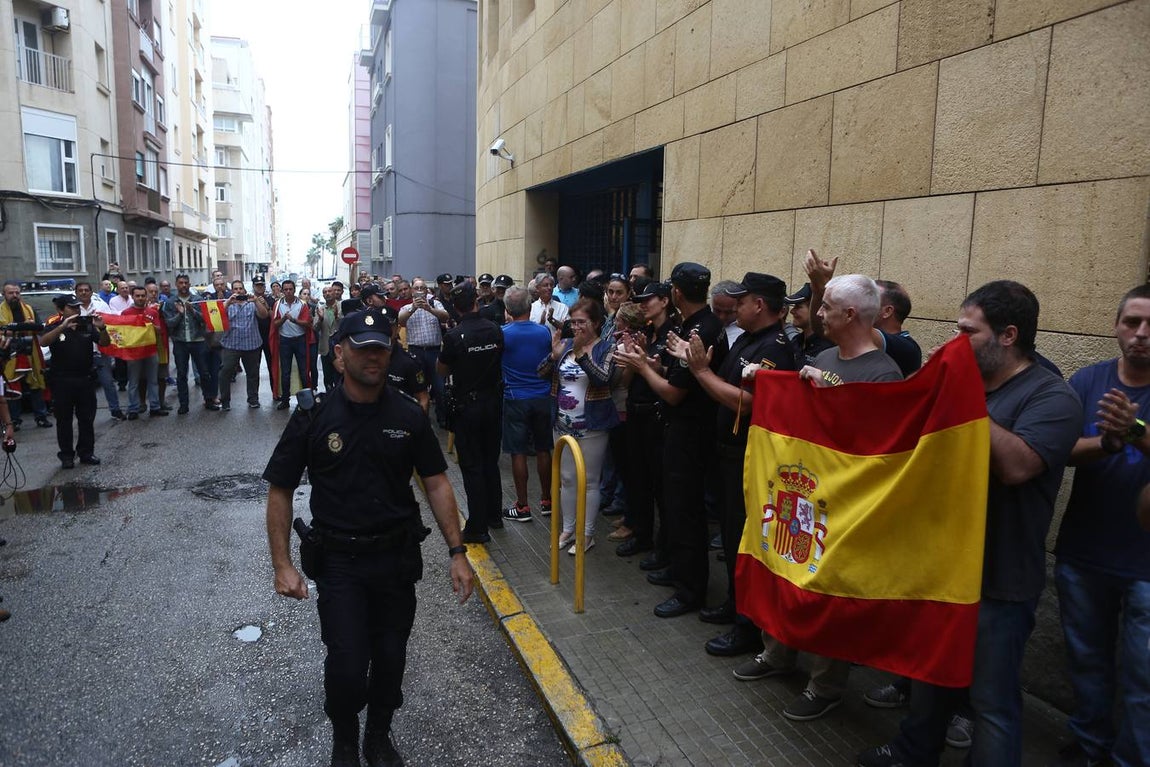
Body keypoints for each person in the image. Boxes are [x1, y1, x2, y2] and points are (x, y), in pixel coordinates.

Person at [859, 280, 1082, 767]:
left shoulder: (1051, 396)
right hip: (941, 568)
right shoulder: (970, 382)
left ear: (1008, 335)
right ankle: (912, 753)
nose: (957, 342)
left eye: (968, 332)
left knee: (991, 702)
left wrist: (961, 397)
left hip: (999, 579)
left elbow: (1019, 466)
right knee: (930, 680)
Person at [263, 308, 474, 767]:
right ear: (340, 354)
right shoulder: (313, 416)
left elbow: (436, 481)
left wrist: (458, 552)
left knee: (391, 656)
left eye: (381, 348)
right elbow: (280, 489)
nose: (374, 357)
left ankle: (378, 735)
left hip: (395, 558)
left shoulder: (407, 414)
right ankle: (344, 737)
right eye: (363, 349)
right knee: (346, 665)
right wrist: (282, 564)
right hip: (339, 562)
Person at [1054, 283, 1150, 767]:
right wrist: (1108, 443)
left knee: (1144, 680)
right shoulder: (1087, 381)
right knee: (1086, 662)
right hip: (1084, 550)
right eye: (1132, 322)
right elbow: (1058, 448)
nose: (1141, 334)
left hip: (1145, 565)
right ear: (1116, 325)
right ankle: (1089, 745)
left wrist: (1135, 433)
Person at [682, 273, 798, 658]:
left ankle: (746, 627)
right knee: (733, 540)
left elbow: (746, 403)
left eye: (742, 300)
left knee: (743, 542)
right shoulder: (747, 339)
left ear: (759, 305)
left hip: (750, 459)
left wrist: (701, 373)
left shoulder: (774, 348)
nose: (736, 308)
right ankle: (736, 606)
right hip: (730, 454)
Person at [617, 263, 724, 618]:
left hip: (691, 431)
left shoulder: (701, 329)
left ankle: (690, 590)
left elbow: (675, 393)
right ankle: (679, 570)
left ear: (675, 293)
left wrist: (642, 367)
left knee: (685, 511)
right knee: (675, 508)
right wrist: (650, 361)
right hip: (679, 430)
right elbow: (673, 374)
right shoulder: (693, 325)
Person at [539, 298, 619, 554]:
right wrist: (553, 357)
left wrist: (583, 355)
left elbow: (603, 380)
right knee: (567, 479)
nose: (576, 327)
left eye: (581, 322)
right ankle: (568, 529)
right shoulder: (564, 346)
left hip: (592, 426)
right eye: (573, 322)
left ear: (595, 323)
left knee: (591, 481)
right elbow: (540, 372)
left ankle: (587, 534)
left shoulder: (606, 348)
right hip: (561, 424)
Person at [438, 283, 505, 544]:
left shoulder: (454, 336)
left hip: (468, 406)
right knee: (491, 461)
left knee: (472, 465)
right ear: (476, 301)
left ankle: (477, 527)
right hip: (493, 402)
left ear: (456, 307)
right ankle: (494, 516)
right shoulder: (495, 330)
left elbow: (442, 371)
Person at [500, 286, 555, 523]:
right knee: (544, 448)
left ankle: (522, 506)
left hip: (515, 397)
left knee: (518, 451)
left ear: (507, 309)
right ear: (529, 306)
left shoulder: (502, 333)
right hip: (542, 396)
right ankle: (546, 500)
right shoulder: (543, 332)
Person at [40, 295, 111, 468]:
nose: (77, 310)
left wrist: (102, 329)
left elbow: (105, 343)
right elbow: (43, 341)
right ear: (61, 310)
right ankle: (66, 455)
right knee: (64, 420)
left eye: (78, 307)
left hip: (85, 379)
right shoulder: (55, 325)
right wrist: (63, 327)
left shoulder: (85, 324)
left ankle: (86, 452)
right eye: (72, 307)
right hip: (62, 380)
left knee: (86, 419)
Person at [397, 278, 450, 427]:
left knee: (439, 387)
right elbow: (400, 321)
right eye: (416, 288)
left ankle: (442, 418)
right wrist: (413, 308)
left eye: (422, 288)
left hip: (433, 351)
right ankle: (419, 418)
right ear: (412, 291)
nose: (420, 290)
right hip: (416, 352)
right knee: (417, 387)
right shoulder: (407, 307)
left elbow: (446, 316)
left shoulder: (435, 303)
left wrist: (430, 309)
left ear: (427, 290)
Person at [1, 281, 51, 430]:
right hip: (9, 353)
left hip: (30, 351)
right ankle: (14, 420)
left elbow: (39, 327)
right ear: (4, 295)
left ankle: (41, 417)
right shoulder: (0, 310)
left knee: (36, 383)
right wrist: (23, 326)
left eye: (17, 293)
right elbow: (3, 330)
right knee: (11, 386)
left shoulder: (29, 309)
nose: (15, 296)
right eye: (11, 293)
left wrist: (17, 327)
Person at [163, 274, 215, 415]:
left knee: (204, 372)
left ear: (189, 284)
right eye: (181, 283)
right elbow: (169, 323)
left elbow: (205, 320)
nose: (184, 285)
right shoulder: (170, 302)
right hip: (180, 342)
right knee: (181, 374)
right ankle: (184, 404)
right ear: (176, 284)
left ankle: (209, 400)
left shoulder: (197, 300)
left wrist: (193, 311)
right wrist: (180, 314)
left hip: (198, 340)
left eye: (186, 283)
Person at [75, 281, 124, 421]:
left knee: (108, 382)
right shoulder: (72, 309)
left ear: (91, 292)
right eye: (80, 290)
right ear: (76, 293)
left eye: (86, 290)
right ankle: (84, 413)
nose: (83, 293)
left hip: (100, 350)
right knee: (83, 386)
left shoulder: (101, 305)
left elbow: (111, 324)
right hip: (81, 353)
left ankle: (115, 410)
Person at [219, 280, 268, 411]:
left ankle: (253, 399)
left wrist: (256, 301)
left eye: (241, 288)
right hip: (231, 344)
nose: (238, 291)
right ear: (231, 290)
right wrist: (228, 302)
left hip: (251, 344)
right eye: (235, 289)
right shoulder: (227, 303)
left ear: (244, 290)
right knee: (225, 372)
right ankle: (225, 401)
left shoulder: (252, 303)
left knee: (252, 374)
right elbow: (217, 316)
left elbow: (264, 315)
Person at [121, 285, 168, 420]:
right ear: (133, 296)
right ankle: (133, 409)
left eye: (143, 295)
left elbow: (159, 330)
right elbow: (123, 332)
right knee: (134, 381)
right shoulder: (126, 313)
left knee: (153, 381)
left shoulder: (152, 312)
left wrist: (149, 324)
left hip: (151, 351)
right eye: (138, 296)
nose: (140, 298)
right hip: (134, 353)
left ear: (146, 297)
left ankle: (155, 407)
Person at [270, 280, 313, 411]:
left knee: (304, 371)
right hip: (285, 341)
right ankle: (285, 400)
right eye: (286, 289)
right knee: (285, 372)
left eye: (290, 289)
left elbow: (307, 323)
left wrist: (293, 320)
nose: (288, 291)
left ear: (294, 290)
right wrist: (284, 319)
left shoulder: (302, 304)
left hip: (299, 340)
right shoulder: (278, 305)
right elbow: (274, 324)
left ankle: (307, 401)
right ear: (282, 291)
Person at [874, 280, 922, 377]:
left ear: (887, 311)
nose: (860, 304)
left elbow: (858, 331)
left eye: (867, 299)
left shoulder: (907, 348)